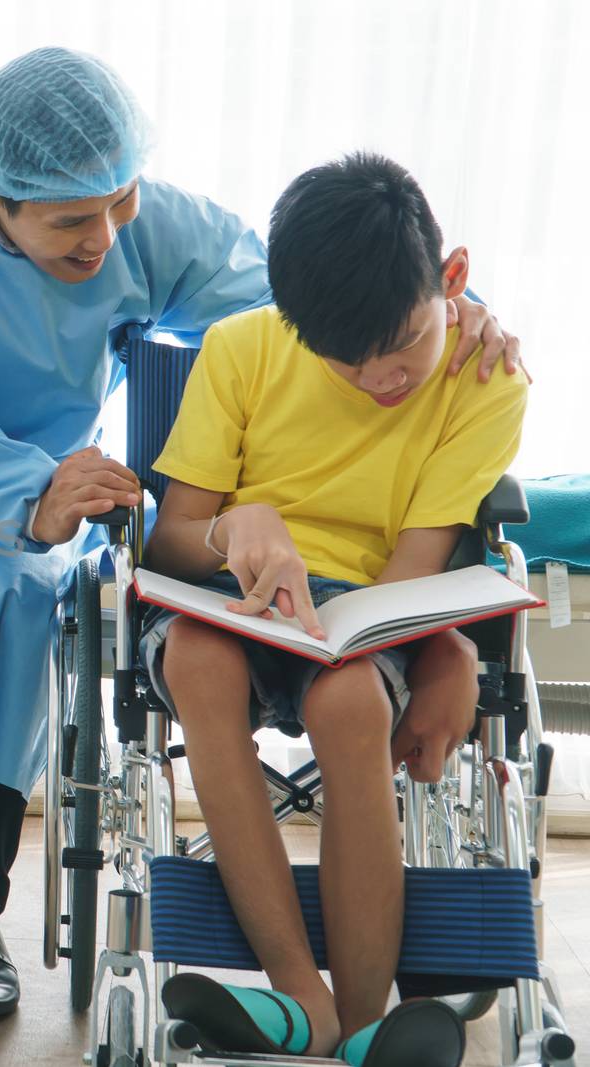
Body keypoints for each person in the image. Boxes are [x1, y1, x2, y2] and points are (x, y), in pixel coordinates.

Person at [0, 48, 522, 1067]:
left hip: (52, 488)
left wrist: (457, 316)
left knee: (14, 650)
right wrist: (32, 492)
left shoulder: (133, 219)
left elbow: (301, 301)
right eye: (72, 222)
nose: (106, 238)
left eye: (120, 204)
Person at [146, 152, 528, 1067]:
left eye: (400, 353)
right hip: (228, 605)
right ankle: (299, 998)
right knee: (199, 662)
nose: (377, 383)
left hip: (372, 606)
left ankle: (366, 1027)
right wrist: (237, 526)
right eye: (344, 363)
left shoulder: (486, 386)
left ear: (455, 281)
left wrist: (446, 650)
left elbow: (414, 570)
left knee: (348, 701)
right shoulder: (243, 349)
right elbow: (171, 538)